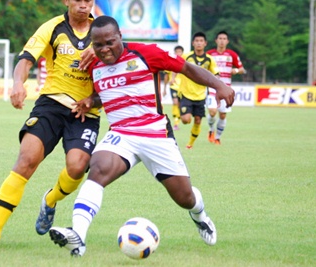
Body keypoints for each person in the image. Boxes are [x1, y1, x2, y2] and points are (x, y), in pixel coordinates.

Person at [48, 16, 235, 257]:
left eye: (110, 42)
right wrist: (90, 101)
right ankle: (78, 236)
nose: (104, 49)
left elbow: (186, 68)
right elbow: (103, 93)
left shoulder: (147, 53)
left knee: (185, 197)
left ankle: (199, 215)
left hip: (155, 134)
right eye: (98, 45)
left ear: (120, 37)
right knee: (97, 169)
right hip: (121, 134)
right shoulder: (94, 66)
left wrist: (218, 85)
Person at [0, 0, 100, 252]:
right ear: (66, 0)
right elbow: (25, 59)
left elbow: (116, 73)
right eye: (77, 0)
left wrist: (92, 99)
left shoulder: (103, 33)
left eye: (88, 0)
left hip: (86, 112)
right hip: (51, 106)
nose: (82, 5)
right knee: (26, 160)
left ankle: (51, 200)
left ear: (94, 1)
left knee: (77, 167)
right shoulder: (52, 27)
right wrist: (18, 83)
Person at [178, 32, 218, 149]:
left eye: (201, 41)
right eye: (197, 41)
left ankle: (190, 144)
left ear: (205, 43)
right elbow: (174, 66)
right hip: (186, 93)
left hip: (201, 95)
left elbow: (216, 74)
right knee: (186, 120)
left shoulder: (210, 59)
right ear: (193, 43)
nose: (199, 43)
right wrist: (174, 78)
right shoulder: (186, 57)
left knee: (198, 120)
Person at [206, 31, 245, 145]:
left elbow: (242, 69)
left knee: (222, 115)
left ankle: (217, 137)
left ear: (227, 41)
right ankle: (211, 130)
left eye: (224, 39)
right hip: (213, 88)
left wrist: (236, 70)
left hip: (226, 89)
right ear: (216, 40)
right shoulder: (210, 54)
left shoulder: (232, 55)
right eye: (220, 38)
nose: (222, 41)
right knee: (212, 112)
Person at [163, 45, 184, 130]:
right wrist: (164, 88)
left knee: (179, 104)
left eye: (180, 52)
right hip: (174, 86)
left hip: (182, 87)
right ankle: (176, 123)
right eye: (177, 52)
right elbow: (166, 76)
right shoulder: (170, 62)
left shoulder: (185, 63)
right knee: (175, 102)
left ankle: (177, 121)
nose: (178, 53)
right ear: (175, 53)